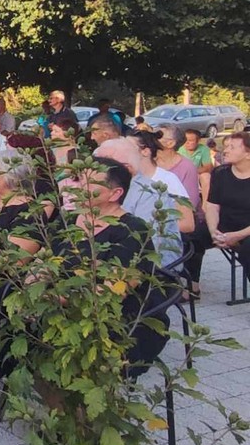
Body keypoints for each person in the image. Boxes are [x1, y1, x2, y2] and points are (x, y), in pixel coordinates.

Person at [47, 157, 169, 377]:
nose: (80, 189)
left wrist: (53, 298)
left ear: (115, 194)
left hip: (117, 322)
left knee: (71, 365)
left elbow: (113, 292)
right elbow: (42, 260)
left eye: (90, 184)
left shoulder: (131, 230)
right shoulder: (68, 220)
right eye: (78, 181)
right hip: (62, 311)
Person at [94, 137, 190, 269]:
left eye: (100, 166)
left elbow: (145, 245)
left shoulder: (150, 195)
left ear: (127, 168)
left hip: (151, 272)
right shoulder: (95, 192)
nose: (92, 172)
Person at [157, 124, 208, 293]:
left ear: (171, 143)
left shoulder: (186, 166)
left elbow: (190, 202)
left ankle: (188, 285)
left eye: (158, 135)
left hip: (180, 217)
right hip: (155, 217)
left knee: (191, 235)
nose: (152, 139)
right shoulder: (149, 163)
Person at [205, 132, 250, 276]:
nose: (225, 150)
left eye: (232, 147)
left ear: (248, 154)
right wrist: (213, 231)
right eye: (227, 146)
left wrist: (237, 236)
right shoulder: (220, 173)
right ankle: (191, 286)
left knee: (247, 252)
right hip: (224, 225)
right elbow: (212, 206)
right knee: (189, 238)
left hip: (247, 229)